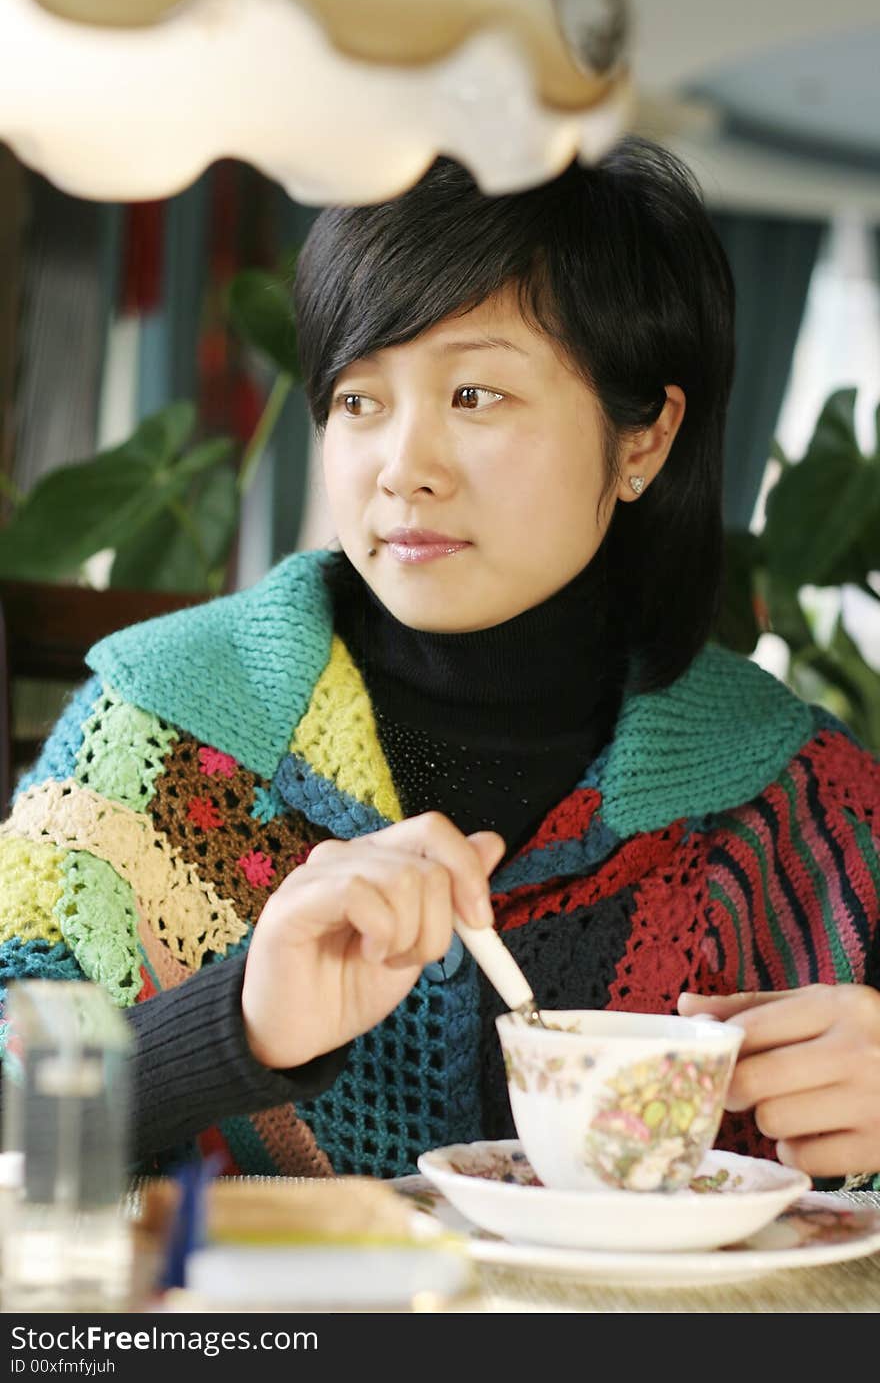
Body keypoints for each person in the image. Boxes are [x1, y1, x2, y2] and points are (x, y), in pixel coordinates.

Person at [0, 140, 877, 1189]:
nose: (401, 469)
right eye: (360, 400)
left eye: (475, 396)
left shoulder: (798, 806)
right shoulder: (157, 730)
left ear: (642, 440)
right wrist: (236, 1024)